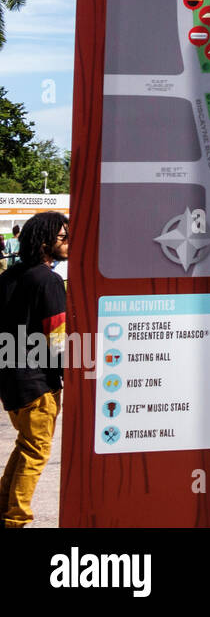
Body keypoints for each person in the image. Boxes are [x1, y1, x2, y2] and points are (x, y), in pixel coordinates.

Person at [0, 212, 69, 527]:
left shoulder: (9, 277)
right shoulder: (49, 280)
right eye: (62, 237)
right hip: (37, 381)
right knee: (37, 450)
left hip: (10, 378)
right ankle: (16, 519)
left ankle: (4, 507)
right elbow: (56, 337)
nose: (68, 242)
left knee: (25, 444)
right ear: (44, 242)